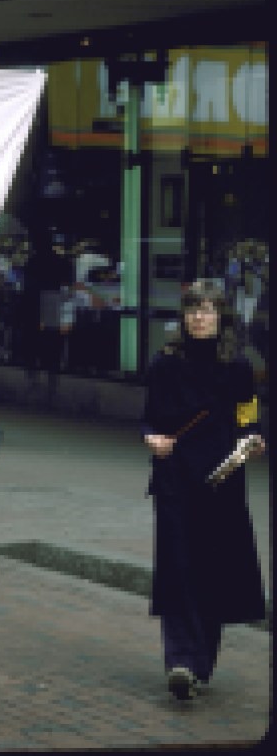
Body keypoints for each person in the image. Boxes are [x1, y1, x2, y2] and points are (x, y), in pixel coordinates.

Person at [141, 279, 266, 701]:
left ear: (221, 317)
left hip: (223, 478)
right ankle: (180, 660)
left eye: (208, 309)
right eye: (194, 309)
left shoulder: (239, 366)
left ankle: (200, 663)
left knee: (212, 567)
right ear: (184, 316)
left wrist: (253, 438)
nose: (200, 317)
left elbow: (248, 417)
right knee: (178, 564)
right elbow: (150, 419)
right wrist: (152, 438)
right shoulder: (164, 362)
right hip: (175, 475)